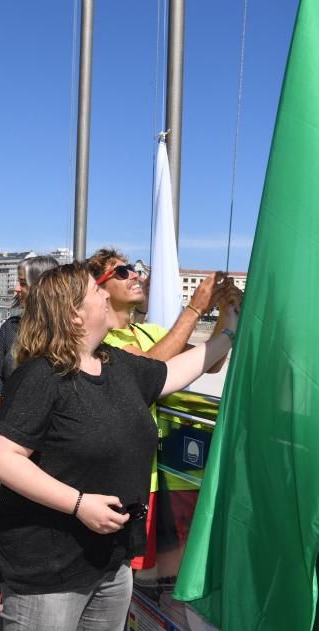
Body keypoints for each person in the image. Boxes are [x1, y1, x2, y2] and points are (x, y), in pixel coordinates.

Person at [0, 262, 239, 631]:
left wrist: (228, 332)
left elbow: (171, 373)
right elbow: (1, 458)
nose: (105, 294)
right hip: (50, 566)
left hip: (112, 556)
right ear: (73, 313)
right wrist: (79, 504)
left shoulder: (117, 363)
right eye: (95, 291)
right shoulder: (40, 375)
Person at [86, 248, 240, 596]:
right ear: (100, 288)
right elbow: (147, 372)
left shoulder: (147, 332)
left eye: (134, 270)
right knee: (121, 576)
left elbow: (207, 363)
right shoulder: (101, 340)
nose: (135, 275)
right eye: (122, 272)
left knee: (154, 576)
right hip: (124, 478)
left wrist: (226, 315)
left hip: (157, 472)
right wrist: (196, 307)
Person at [0, 254, 59, 623]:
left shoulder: (67, 332)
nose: (15, 288)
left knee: (51, 518)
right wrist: (5, 410)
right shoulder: (10, 327)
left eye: (22, 282)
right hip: (14, 439)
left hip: (56, 444)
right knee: (9, 515)